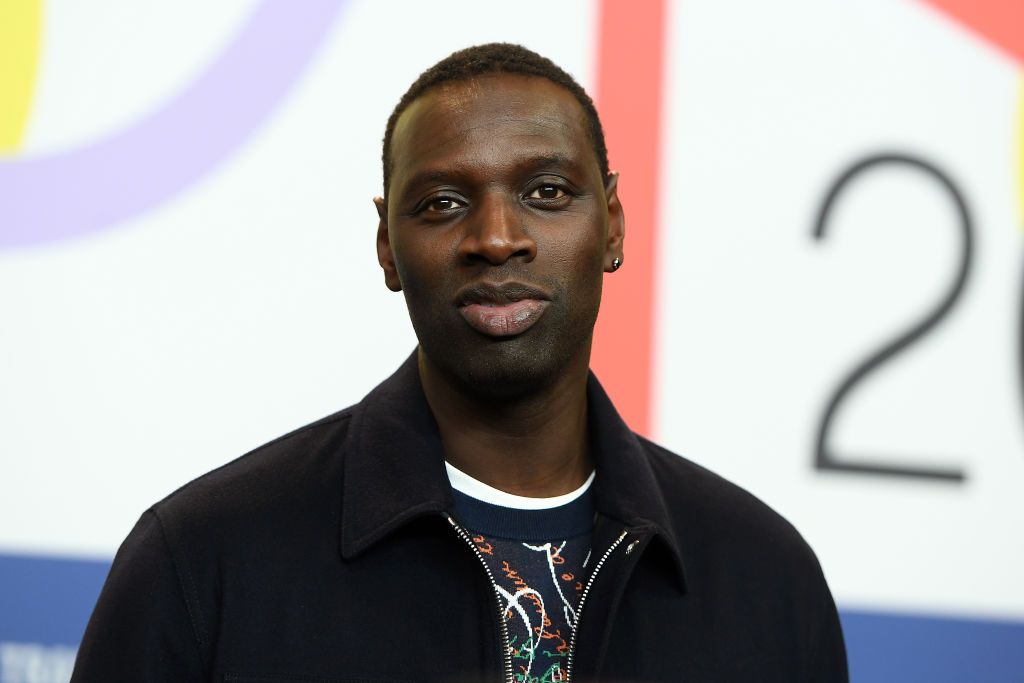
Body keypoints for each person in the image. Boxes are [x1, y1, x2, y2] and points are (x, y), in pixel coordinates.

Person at [71, 43, 847, 682]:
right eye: (443, 202)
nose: (496, 237)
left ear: (611, 224)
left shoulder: (765, 580)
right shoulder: (207, 559)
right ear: (388, 247)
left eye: (547, 190)